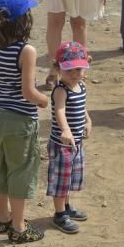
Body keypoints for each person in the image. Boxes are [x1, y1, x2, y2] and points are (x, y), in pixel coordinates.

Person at [0, 0, 48, 244]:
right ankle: (19, 228)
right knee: (21, 170)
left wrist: (4, 87)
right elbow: (29, 92)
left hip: (0, 116)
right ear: (24, 19)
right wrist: (43, 101)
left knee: (2, 167)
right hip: (21, 119)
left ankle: (3, 218)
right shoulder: (26, 51)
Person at [47, 42, 91, 234]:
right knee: (60, 180)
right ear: (58, 69)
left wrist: (88, 120)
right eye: (69, 70)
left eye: (79, 69)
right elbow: (60, 110)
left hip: (76, 143)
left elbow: (82, 108)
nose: (74, 74)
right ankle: (59, 214)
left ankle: (66, 207)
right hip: (61, 145)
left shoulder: (81, 86)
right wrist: (65, 130)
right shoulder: (60, 90)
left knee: (70, 178)